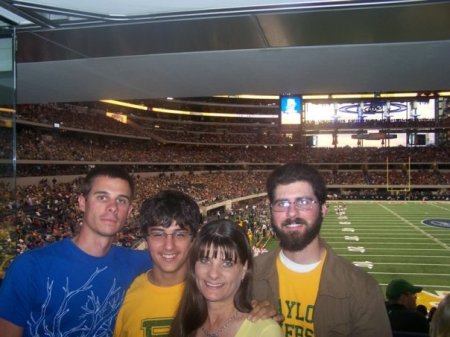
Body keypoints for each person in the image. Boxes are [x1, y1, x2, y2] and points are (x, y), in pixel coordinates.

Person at [0, 165, 152, 337]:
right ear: (82, 203)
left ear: (129, 212)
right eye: (102, 197)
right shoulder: (29, 267)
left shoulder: (137, 262)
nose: (113, 207)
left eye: (121, 200)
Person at [252, 162, 392, 337]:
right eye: (282, 203)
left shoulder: (363, 290)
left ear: (323, 209)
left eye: (303, 202)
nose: (292, 213)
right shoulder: (247, 276)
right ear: (271, 211)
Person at [169, 219, 283, 337]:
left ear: (244, 269)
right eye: (205, 260)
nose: (213, 274)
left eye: (227, 264)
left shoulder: (265, 331)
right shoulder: (185, 321)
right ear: (194, 266)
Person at [114, 190, 203, 337]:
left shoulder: (209, 291)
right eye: (158, 234)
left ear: (193, 239)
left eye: (179, 234)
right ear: (146, 240)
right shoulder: (124, 294)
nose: (169, 245)